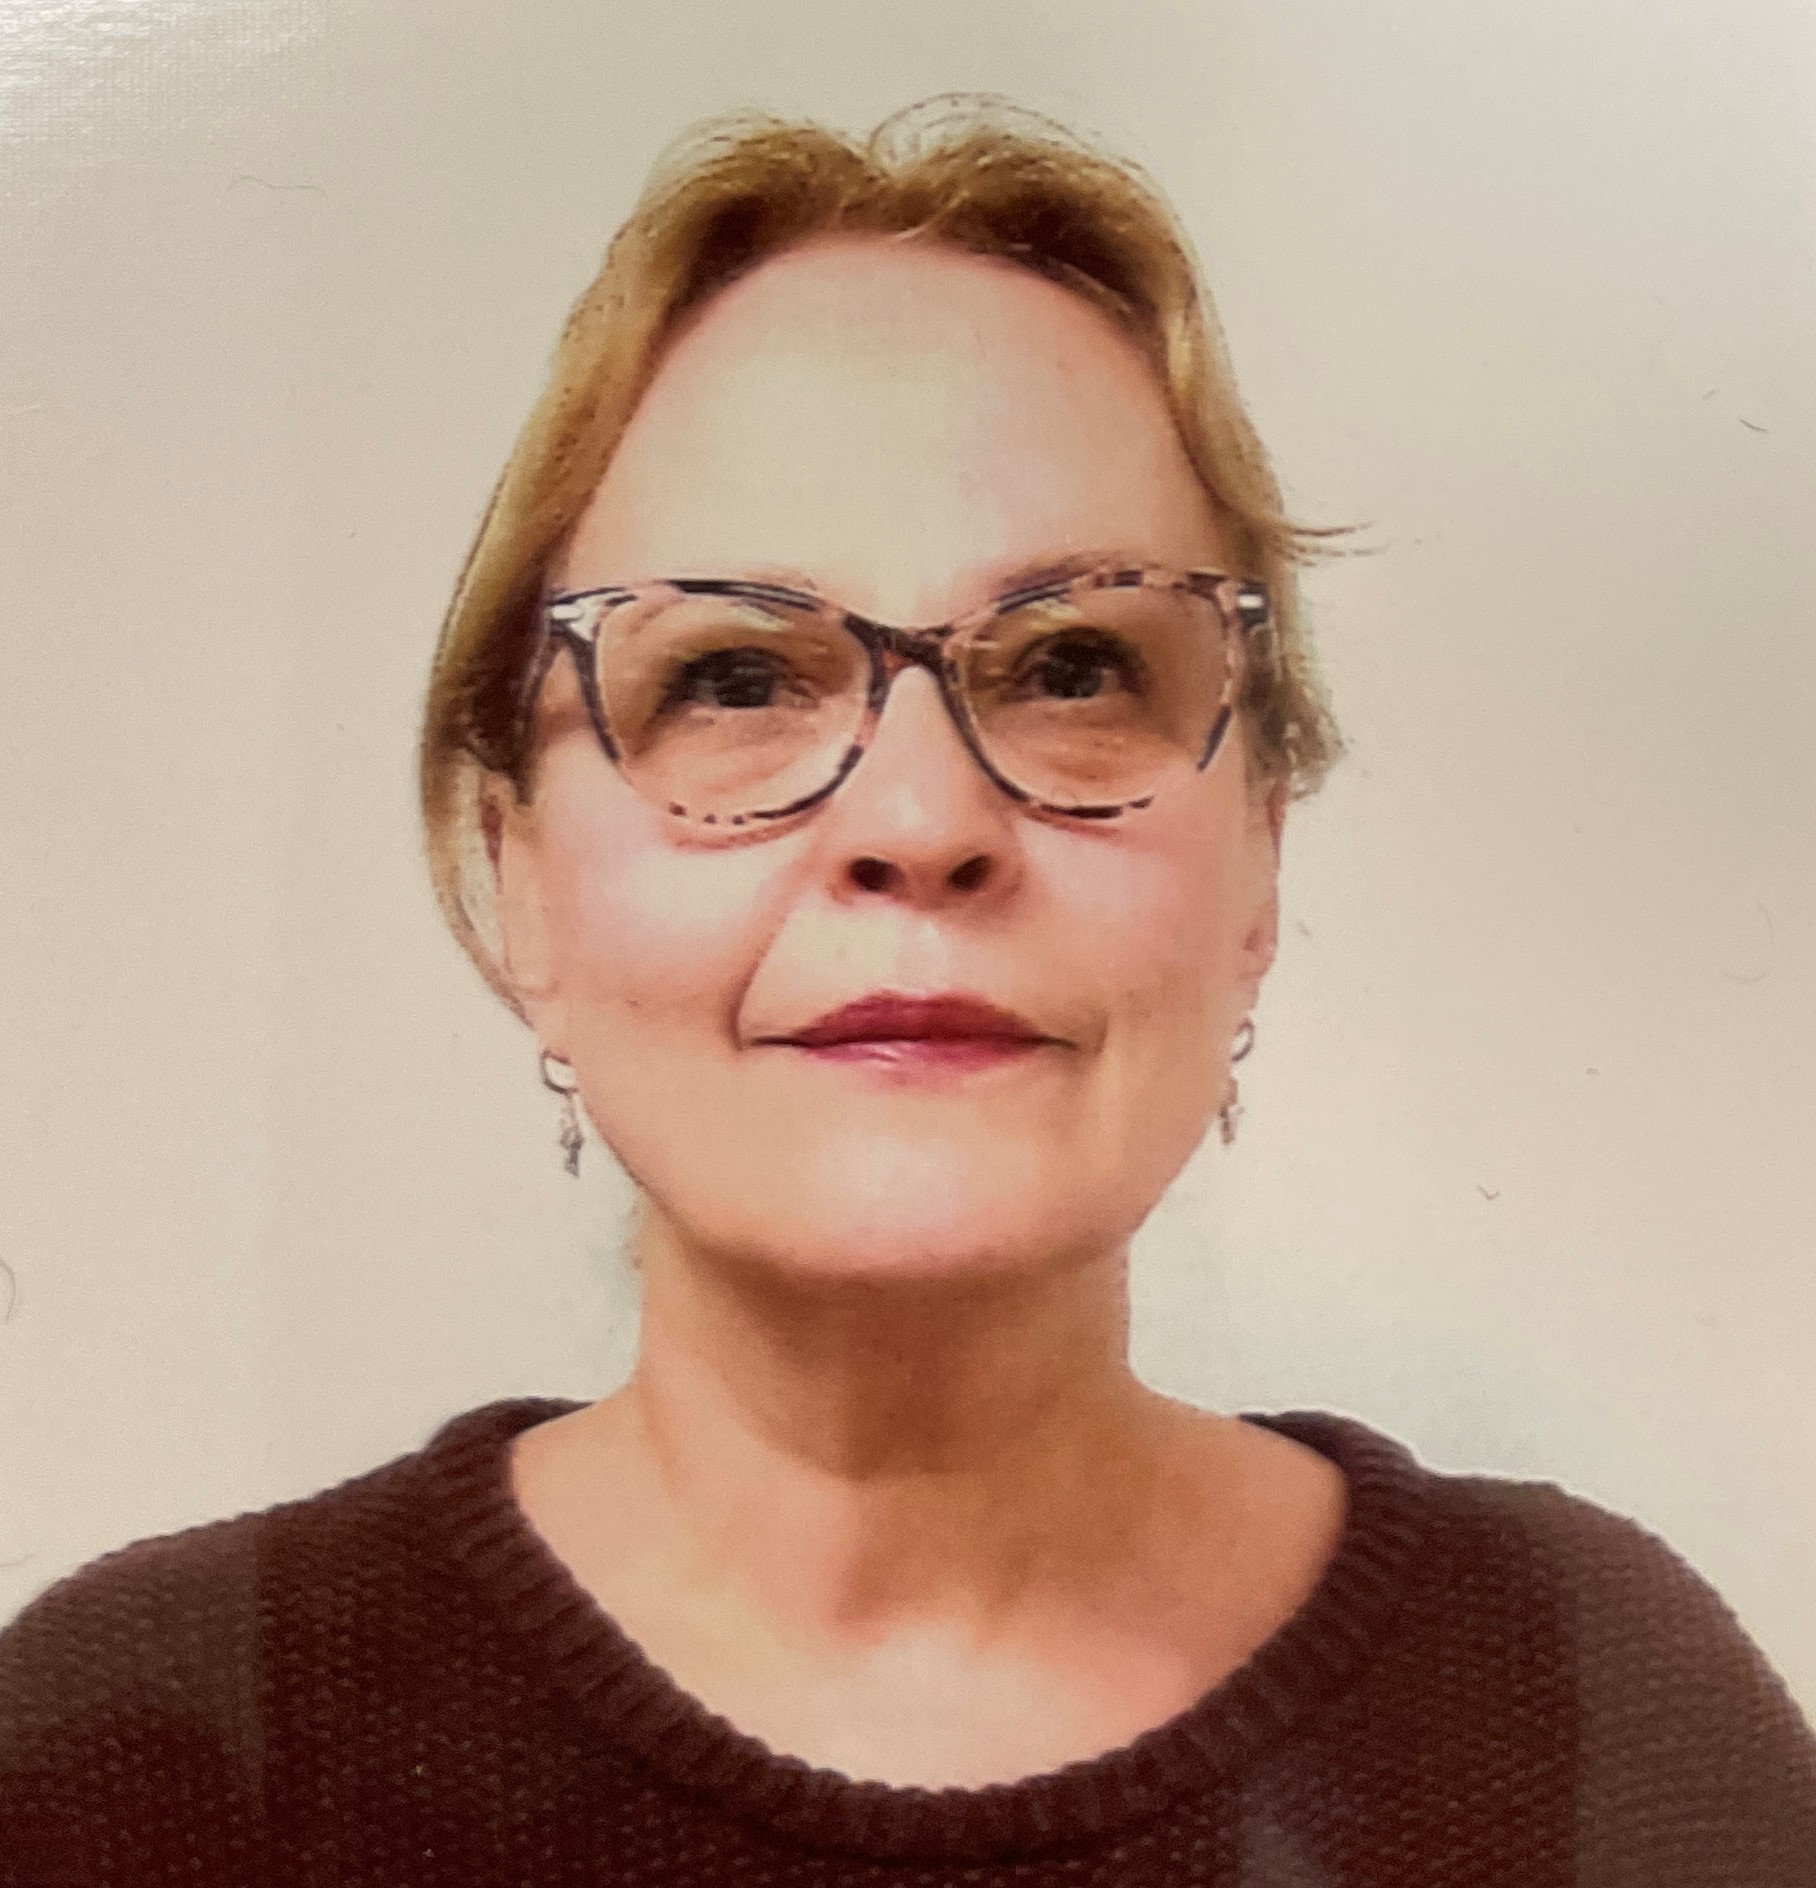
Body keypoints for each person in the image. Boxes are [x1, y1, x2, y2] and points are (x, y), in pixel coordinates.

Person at [2, 95, 1812, 1887]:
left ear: (1260, 857)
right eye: (732, 677)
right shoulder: (130, 1753)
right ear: (515, 881)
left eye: (1078, 666)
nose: (923, 822)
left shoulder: (1605, 1710)